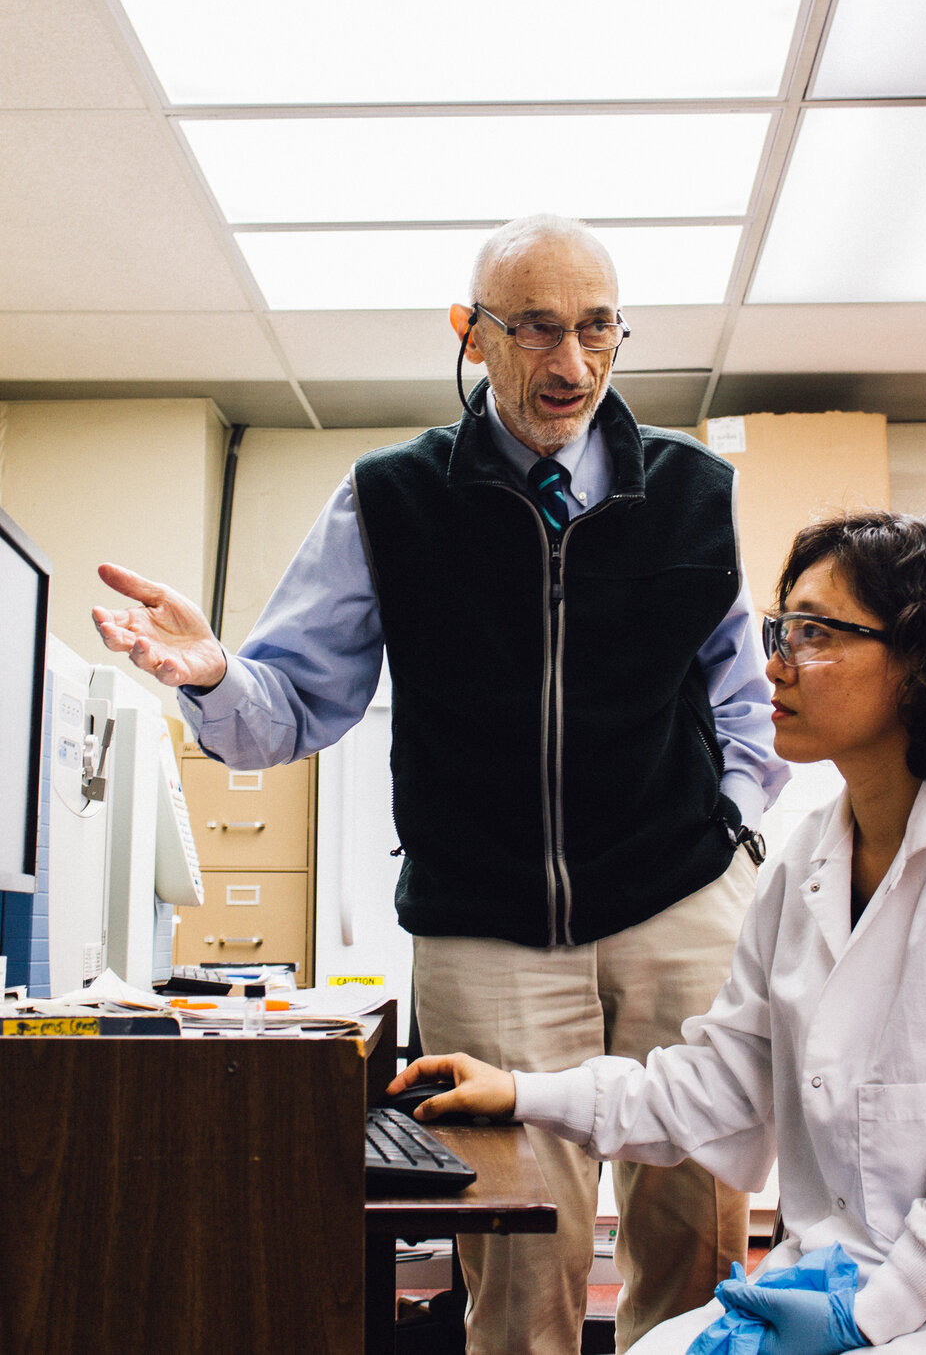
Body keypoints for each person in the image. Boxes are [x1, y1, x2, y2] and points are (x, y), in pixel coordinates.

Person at [92, 213, 786, 1354]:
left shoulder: (693, 491)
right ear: (472, 334)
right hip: (487, 926)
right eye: (537, 331)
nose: (571, 366)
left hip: (678, 899)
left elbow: (740, 698)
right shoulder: (391, 499)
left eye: (598, 330)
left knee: (699, 1250)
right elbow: (291, 706)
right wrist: (215, 675)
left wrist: (733, 828)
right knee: (519, 1275)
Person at [389, 511, 926, 1353]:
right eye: (780, 628)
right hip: (833, 1277)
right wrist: (525, 1093)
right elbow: (717, 1081)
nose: (773, 663)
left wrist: (862, 1318)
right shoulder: (804, 864)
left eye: (815, 633)